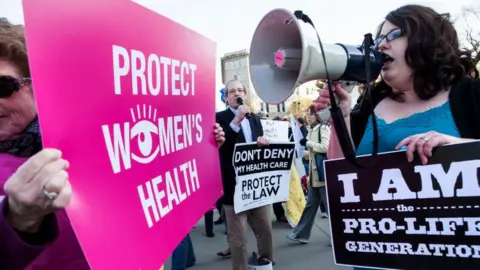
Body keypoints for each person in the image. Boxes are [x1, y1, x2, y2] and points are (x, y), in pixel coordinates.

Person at [0, 17, 227, 270]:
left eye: (3, 86)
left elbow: (152, 162)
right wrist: (15, 220)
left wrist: (201, 143)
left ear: (35, 85)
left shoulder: (89, 132)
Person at [315, 5, 480, 270]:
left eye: (392, 36)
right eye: (377, 40)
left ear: (425, 37)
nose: (379, 46)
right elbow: (341, 181)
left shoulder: (470, 95)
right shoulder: (370, 104)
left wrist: (459, 148)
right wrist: (340, 116)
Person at [216, 79, 274, 270]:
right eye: (232, 91)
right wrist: (236, 121)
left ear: (246, 94)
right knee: (238, 238)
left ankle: (266, 263)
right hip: (234, 188)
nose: (236, 93)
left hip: (256, 186)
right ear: (226, 97)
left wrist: (264, 143)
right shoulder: (219, 119)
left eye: (240, 90)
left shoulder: (255, 119)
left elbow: (260, 150)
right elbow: (221, 151)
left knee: (265, 230)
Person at [286, 105, 331, 244]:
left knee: (330, 208)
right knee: (310, 206)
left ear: (318, 115)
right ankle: (301, 234)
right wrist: (298, 151)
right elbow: (312, 153)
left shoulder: (323, 128)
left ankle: (338, 236)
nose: (308, 116)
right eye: (308, 114)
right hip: (315, 176)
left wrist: (308, 144)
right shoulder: (313, 129)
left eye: (311, 114)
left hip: (322, 175)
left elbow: (326, 147)